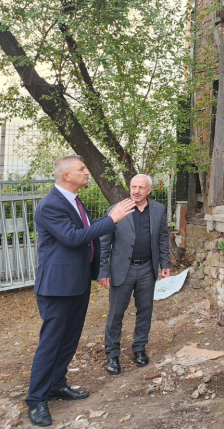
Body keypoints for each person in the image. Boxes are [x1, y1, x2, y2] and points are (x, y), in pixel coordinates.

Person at [26, 155, 136, 427]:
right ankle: (36, 399)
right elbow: (73, 237)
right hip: (56, 286)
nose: (87, 172)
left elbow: (86, 232)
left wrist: (98, 268)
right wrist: (111, 220)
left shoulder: (73, 201)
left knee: (69, 339)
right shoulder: (50, 205)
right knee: (51, 342)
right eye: (82, 169)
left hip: (77, 282)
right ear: (66, 175)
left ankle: (56, 385)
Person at [98, 174, 170, 376]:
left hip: (147, 268)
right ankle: (112, 355)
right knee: (116, 313)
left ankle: (139, 348)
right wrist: (103, 271)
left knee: (145, 310)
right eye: (133, 187)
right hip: (122, 270)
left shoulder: (158, 209)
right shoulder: (116, 210)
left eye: (141, 187)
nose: (136, 191)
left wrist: (165, 263)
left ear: (149, 191)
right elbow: (104, 243)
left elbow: (163, 237)